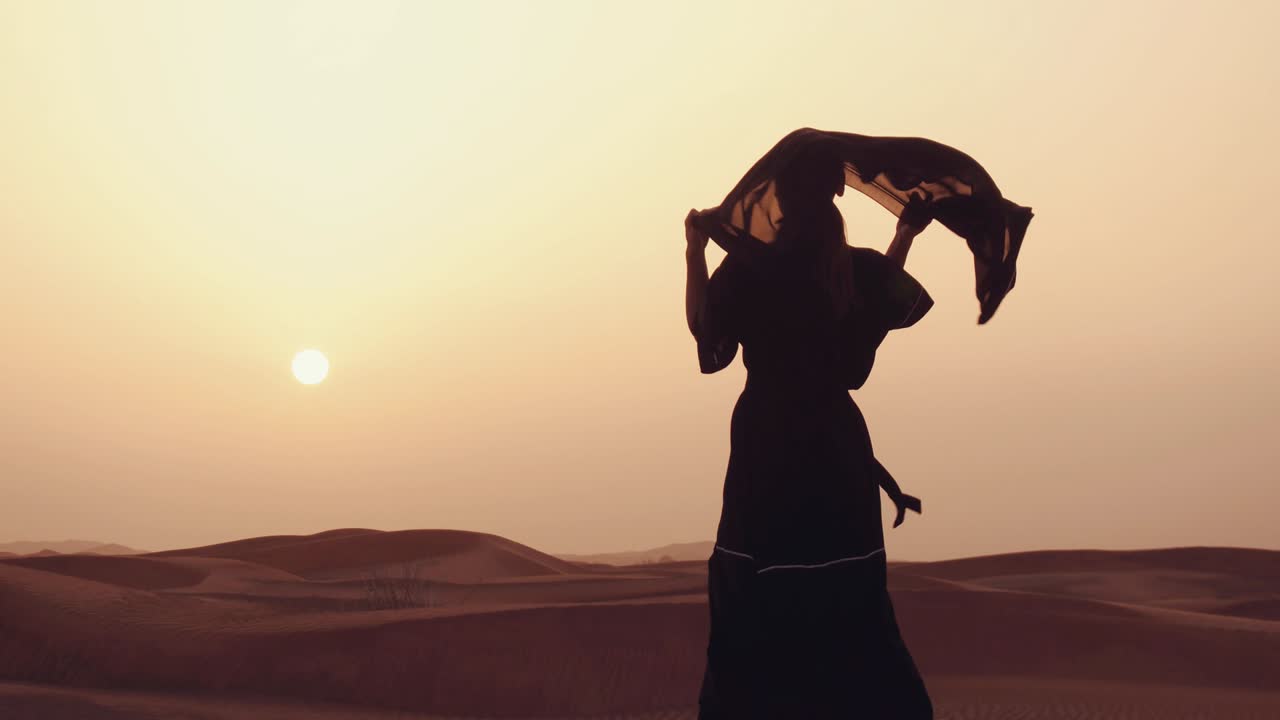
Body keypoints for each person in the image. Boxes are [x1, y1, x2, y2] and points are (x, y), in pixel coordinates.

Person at [685, 147, 934, 719]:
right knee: (852, 607)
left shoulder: (749, 269)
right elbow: (875, 307)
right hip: (835, 458)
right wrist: (905, 234)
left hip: (767, 457)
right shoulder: (852, 270)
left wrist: (695, 251)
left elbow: (704, 329)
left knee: (758, 605)